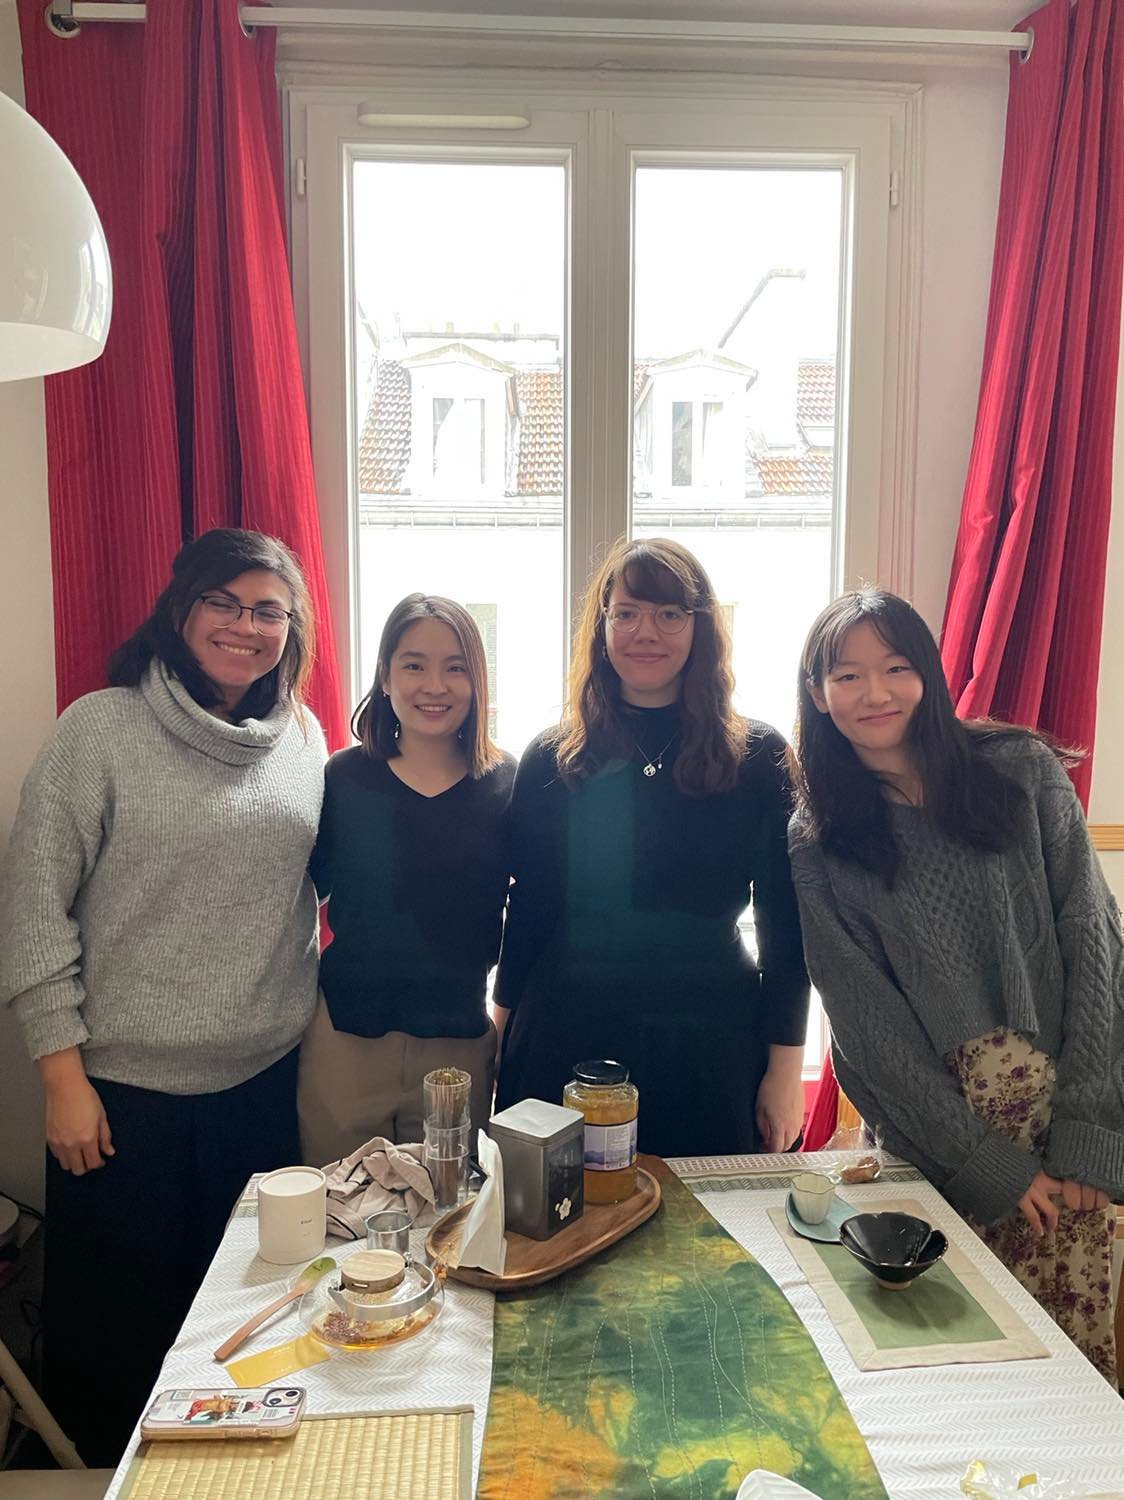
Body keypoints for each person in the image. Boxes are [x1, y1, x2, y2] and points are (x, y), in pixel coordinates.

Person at [0, 528, 327, 1464]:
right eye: (224, 602)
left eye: (269, 611)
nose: (245, 626)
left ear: (291, 630)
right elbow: (33, 909)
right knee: (118, 1346)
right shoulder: (100, 729)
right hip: (119, 1101)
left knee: (248, 1335)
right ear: (180, 609)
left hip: (264, 1087)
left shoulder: (304, 738)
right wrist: (62, 1080)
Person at [788, 586, 1123, 1380]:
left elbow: (1095, 942)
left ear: (928, 674)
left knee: (1065, 1371)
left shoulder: (1019, 771)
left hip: (1064, 1136)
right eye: (847, 676)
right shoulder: (818, 835)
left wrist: (1090, 1130)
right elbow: (864, 1025)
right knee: (938, 1364)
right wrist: (983, 1163)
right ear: (818, 694)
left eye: (896, 667)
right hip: (933, 1145)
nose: (875, 692)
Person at [493, 537, 809, 1158]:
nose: (647, 632)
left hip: (711, 1043)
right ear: (602, 625)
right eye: (627, 613)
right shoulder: (553, 757)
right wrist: (498, 1035)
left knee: (703, 1220)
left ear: (700, 626)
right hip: (564, 1035)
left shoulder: (757, 757)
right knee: (561, 1214)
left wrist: (786, 1067)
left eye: (669, 613)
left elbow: (786, 924)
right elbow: (528, 909)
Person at [298, 595, 515, 1164]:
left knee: (449, 1206)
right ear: (386, 675)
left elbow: (530, 913)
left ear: (477, 679)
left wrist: (507, 1018)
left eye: (455, 667)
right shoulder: (343, 777)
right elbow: (300, 893)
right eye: (414, 664)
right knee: (340, 1206)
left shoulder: (507, 785)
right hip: (344, 1040)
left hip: (457, 1044)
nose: (434, 686)